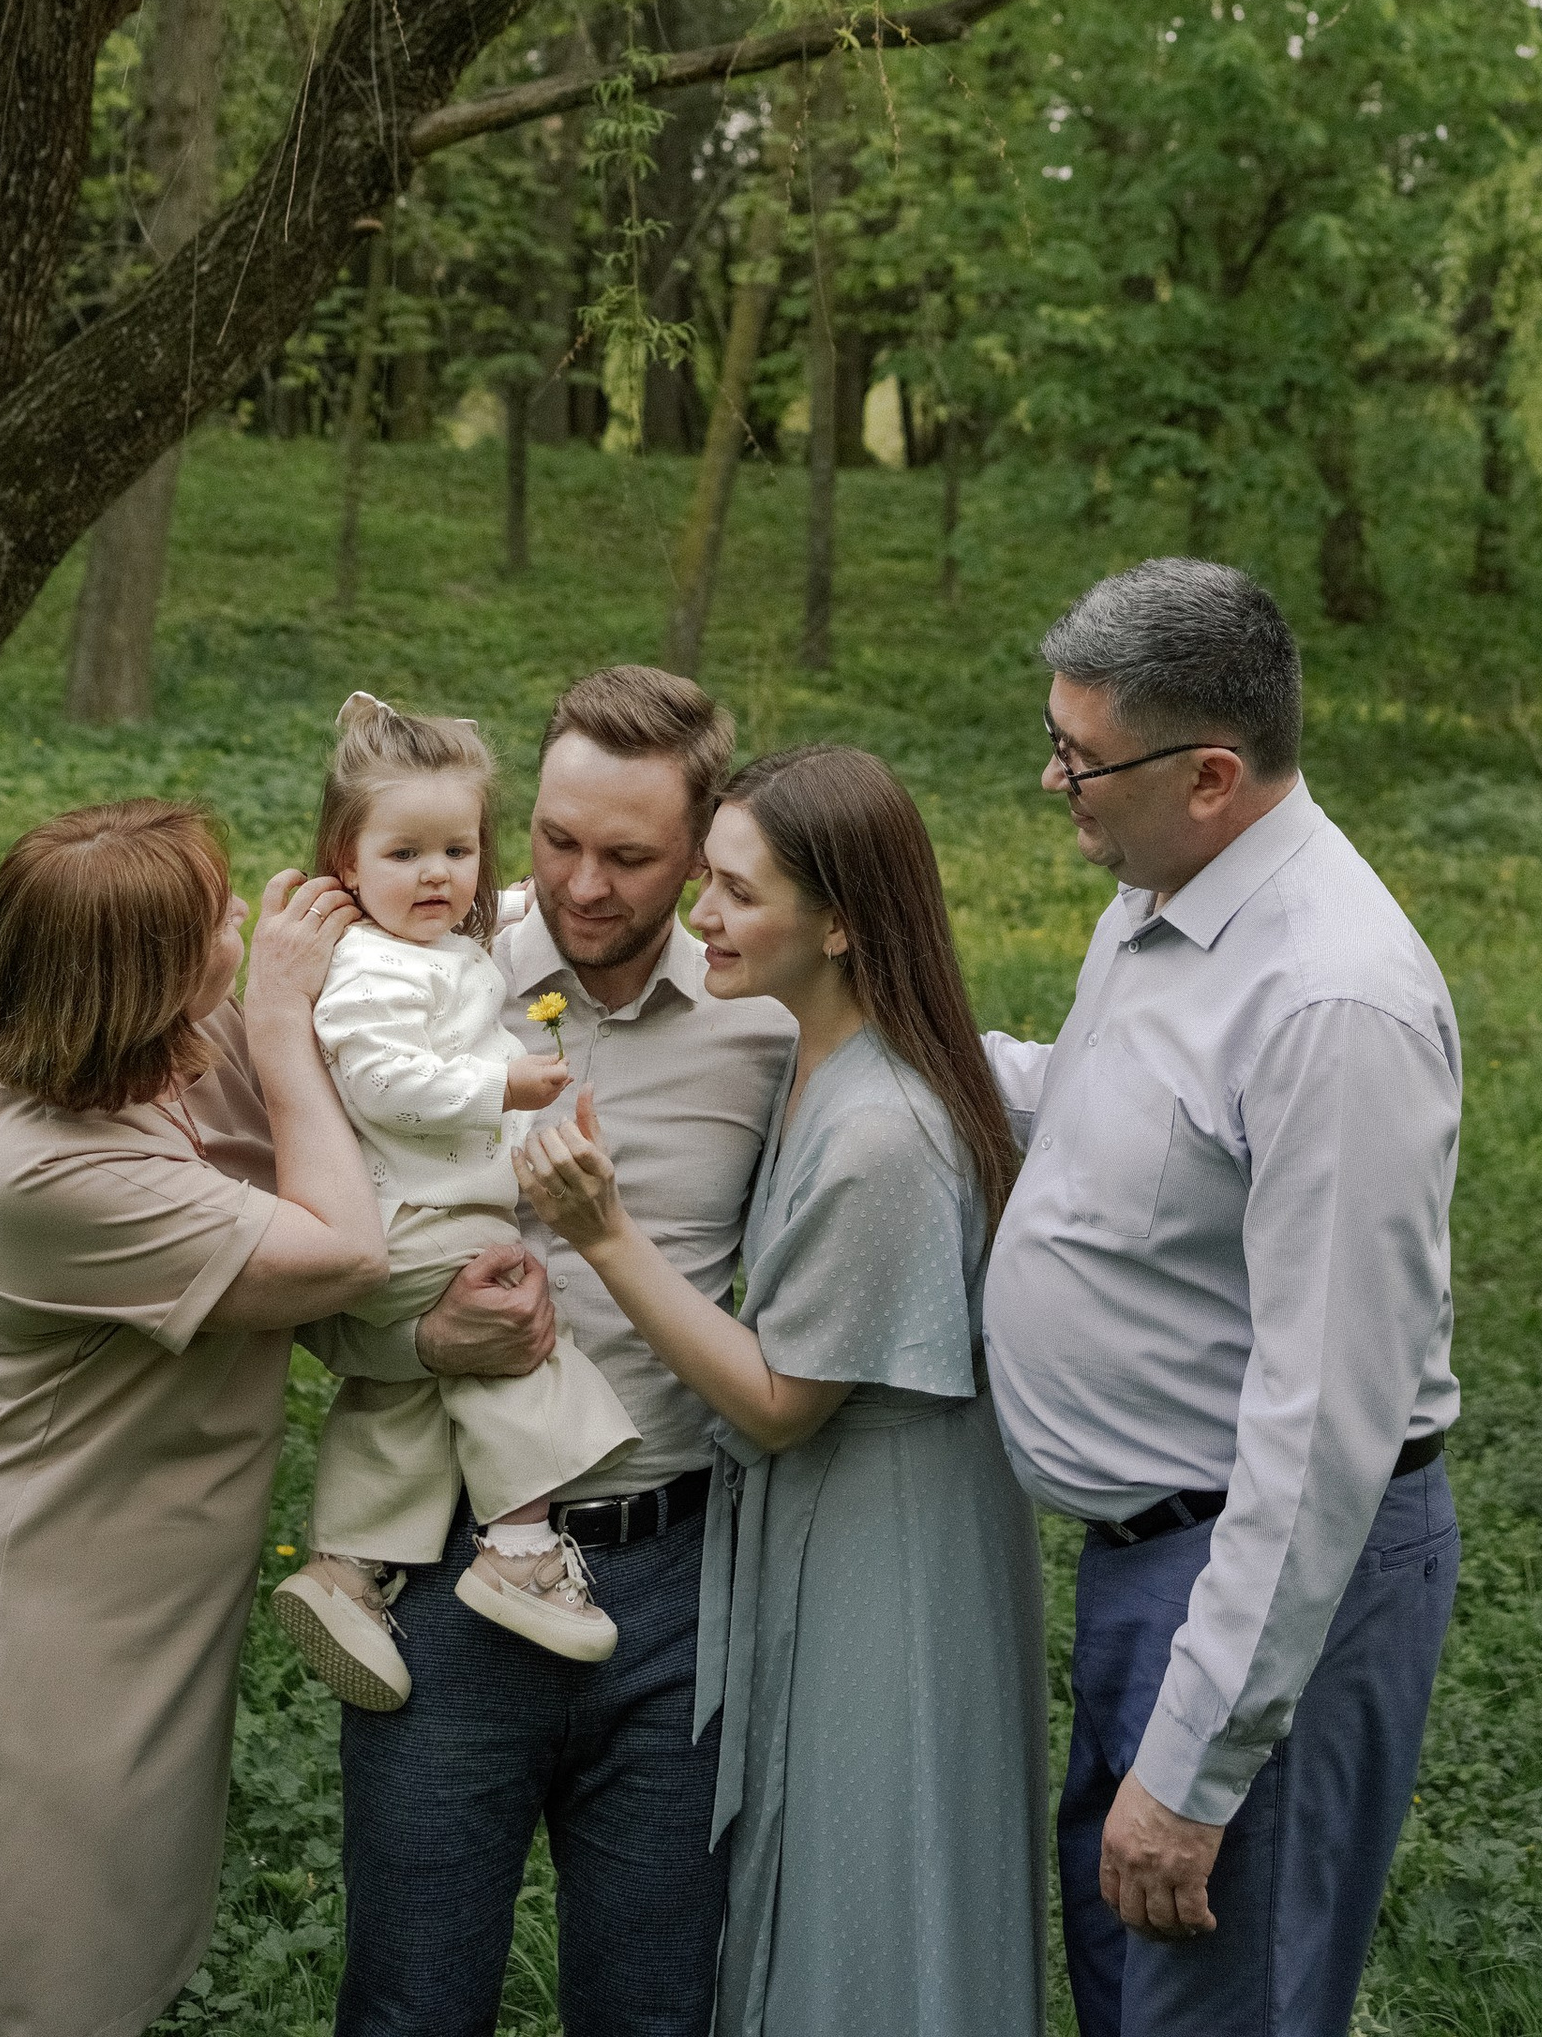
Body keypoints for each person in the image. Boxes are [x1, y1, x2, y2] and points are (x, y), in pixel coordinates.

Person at [981, 558, 1463, 2037]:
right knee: (1137, 1990)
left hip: (1262, 1584)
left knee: (1212, 2006)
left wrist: (1197, 1771)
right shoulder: (1160, 895)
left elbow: (1323, 1427)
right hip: (1152, 1565)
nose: (1054, 777)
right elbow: (1103, 1121)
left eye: (1082, 756)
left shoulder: (1331, 1004)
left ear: (1209, 775)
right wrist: (883, 1034)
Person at [519, 740, 1050, 2037]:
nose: (702, 915)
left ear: (845, 923)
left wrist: (605, 1235)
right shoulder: (813, 1050)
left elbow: (774, 1403)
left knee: (870, 1890)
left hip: (891, 1554)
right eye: (705, 878)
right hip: (831, 1529)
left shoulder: (881, 1128)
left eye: (740, 895)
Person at [313, 665, 797, 2037]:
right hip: (451, 1574)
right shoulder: (417, 980)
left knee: (656, 2012)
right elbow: (300, 1257)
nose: (580, 887)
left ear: (704, 851)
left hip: (675, 1588)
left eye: (631, 858)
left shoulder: (766, 1022)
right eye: (556, 840)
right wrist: (416, 1332)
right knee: (412, 2006)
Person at [0, 797, 381, 2037]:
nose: (241, 925)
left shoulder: (137, 1058)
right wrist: (274, 1014)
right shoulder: (44, 1167)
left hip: (144, 1581)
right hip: (48, 1604)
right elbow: (343, 1249)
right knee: (8, 1977)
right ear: (136, 984)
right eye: (214, 922)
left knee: (112, 1954)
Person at [271, 695, 637, 1700]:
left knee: (404, 1395)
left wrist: (535, 1132)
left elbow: (471, 1042)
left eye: (457, 850)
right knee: (519, 1345)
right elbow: (378, 1080)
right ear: (345, 862)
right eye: (403, 855)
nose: (436, 874)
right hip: (415, 1219)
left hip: (419, 1215)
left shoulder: (440, 956)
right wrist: (501, 1088)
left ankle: (347, 1568)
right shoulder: (372, 967)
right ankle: (519, 1551)